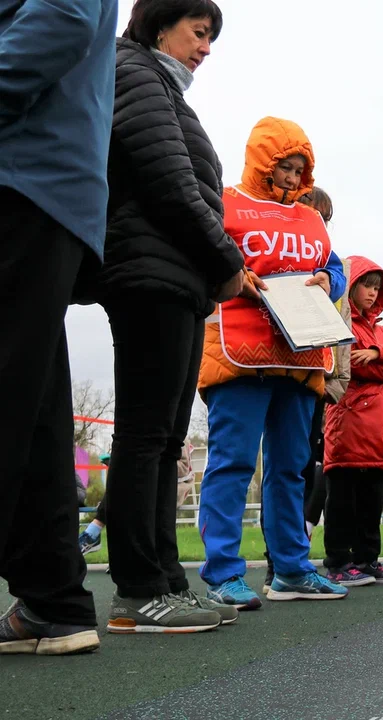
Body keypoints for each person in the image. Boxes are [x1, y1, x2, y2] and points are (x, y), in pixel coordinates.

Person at [97, 0, 250, 635]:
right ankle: (136, 588)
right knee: (145, 436)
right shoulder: (134, 70)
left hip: (179, 280)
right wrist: (226, 259)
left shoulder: (163, 87)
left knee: (164, 441)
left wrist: (209, 269)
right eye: (198, 31)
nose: (206, 46)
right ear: (160, 25)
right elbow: (170, 183)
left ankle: (166, 580)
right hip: (148, 274)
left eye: (211, 36)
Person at [0, 0, 119, 656]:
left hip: (21, 178)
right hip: (46, 184)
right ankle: (52, 598)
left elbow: (63, 17)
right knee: (38, 406)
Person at [197, 116, 349, 607]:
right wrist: (234, 272)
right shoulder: (225, 201)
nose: (290, 176)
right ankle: (223, 573)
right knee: (233, 462)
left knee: (291, 469)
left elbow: (333, 266)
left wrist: (331, 282)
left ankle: (292, 569)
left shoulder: (310, 217)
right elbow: (206, 251)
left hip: (300, 352)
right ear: (263, 162)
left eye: (299, 168)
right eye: (284, 166)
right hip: (239, 353)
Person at [260, 185, 336, 592]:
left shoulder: (323, 261)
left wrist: (330, 281)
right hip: (267, 366)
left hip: (310, 377)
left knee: (300, 468)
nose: (316, 221)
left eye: (324, 217)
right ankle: (275, 562)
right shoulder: (273, 243)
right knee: (273, 467)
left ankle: (293, 562)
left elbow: (336, 330)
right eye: (311, 211)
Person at [322, 256, 383, 587]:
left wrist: (377, 352)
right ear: (352, 285)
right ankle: (337, 562)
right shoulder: (342, 322)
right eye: (366, 285)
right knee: (343, 501)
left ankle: (367, 559)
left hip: (376, 433)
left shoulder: (380, 331)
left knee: (372, 501)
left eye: (377, 288)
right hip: (347, 427)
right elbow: (352, 364)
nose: (373, 293)